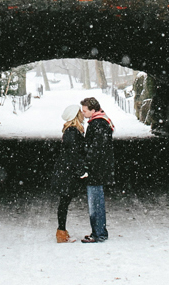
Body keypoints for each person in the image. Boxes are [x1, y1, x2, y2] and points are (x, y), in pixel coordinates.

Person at [79, 97, 115, 244]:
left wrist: (87, 165)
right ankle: (99, 231)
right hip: (100, 168)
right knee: (96, 201)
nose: (83, 113)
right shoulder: (101, 121)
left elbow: (96, 149)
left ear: (93, 110)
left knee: (95, 203)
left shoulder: (97, 124)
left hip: (96, 170)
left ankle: (99, 233)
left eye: (85, 110)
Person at [51, 104, 85, 243]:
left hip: (66, 170)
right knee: (64, 201)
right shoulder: (72, 132)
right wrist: (80, 171)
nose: (83, 114)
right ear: (76, 115)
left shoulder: (72, 131)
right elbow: (73, 154)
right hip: (67, 172)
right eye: (80, 112)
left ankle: (62, 231)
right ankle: (61, 232)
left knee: (64, 201)